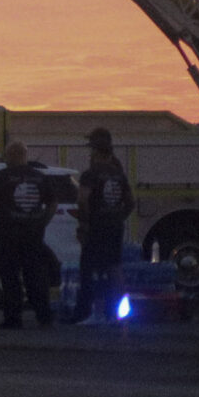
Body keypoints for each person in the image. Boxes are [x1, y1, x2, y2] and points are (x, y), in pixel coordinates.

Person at [0, 141, 56, 328]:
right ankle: (44, 317)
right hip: (33, 235)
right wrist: (43, 222)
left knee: (10, 279)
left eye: (7, 155)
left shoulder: (1, 177)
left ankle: (13, 319)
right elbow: (52, 204)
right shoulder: (39, 177)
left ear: (11, 155)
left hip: (8, 235)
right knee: (36, 277)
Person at [71, 127, 132, 325]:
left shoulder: (91, 174)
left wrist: (84, 224)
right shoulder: (119, 174)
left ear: (96, 150)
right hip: (115, 227)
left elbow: (82, 200)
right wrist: (117, 217)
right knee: (114, 268)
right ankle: (118, 313)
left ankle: (89, 313)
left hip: (96, 228)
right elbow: (130, 203)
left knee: (89, 270)